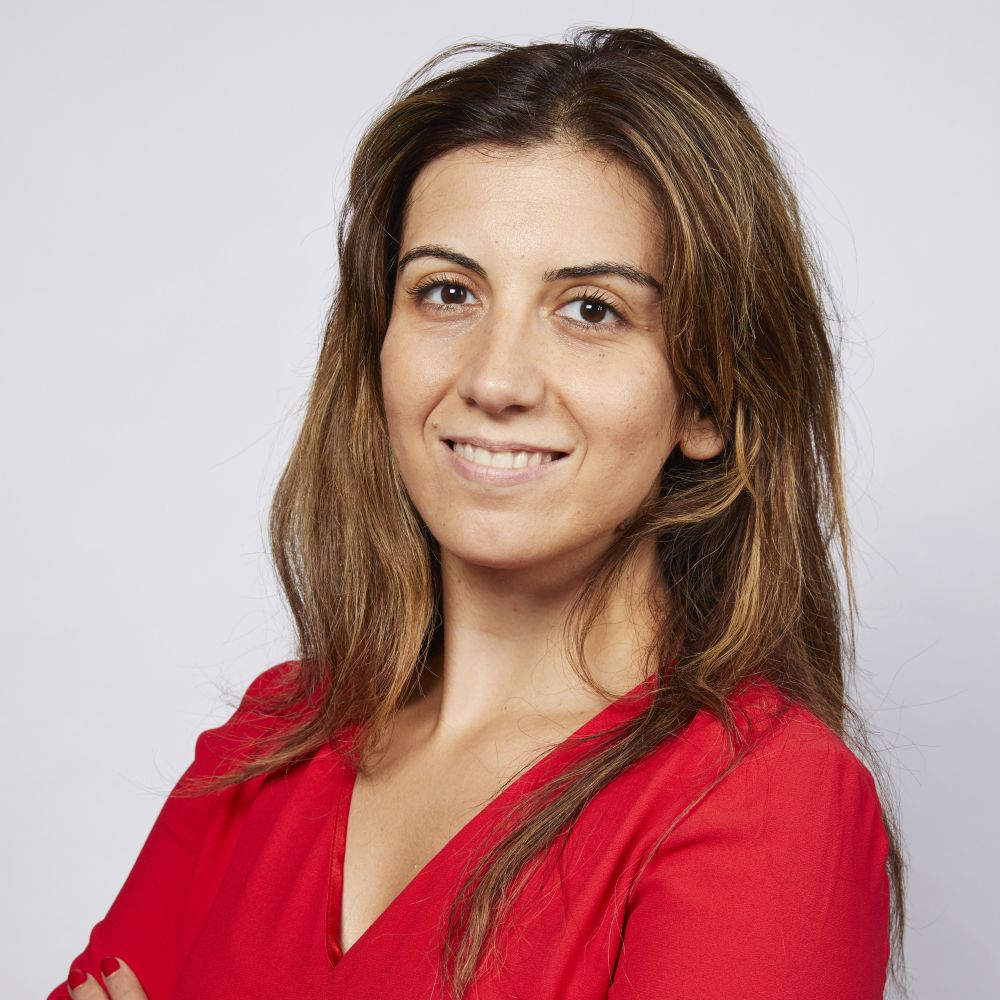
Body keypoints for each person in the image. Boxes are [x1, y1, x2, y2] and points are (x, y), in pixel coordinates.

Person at [53, 26, 905, 1000]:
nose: (495, 380)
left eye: (591, 309)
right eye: (448, 292)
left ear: (708, 399)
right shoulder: (270, 740)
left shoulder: (766, 797)